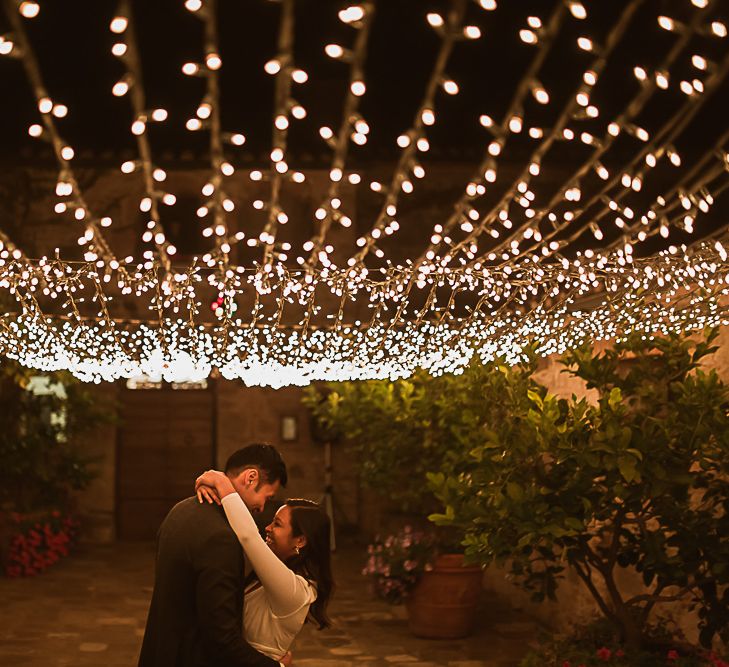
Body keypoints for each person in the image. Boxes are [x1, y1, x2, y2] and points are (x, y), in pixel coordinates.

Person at [138, 443, 289, 667]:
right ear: (251, 478)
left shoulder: (181, 510)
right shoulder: (221, 537)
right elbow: (221, 638)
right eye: (268, 497)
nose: (262, 507)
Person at [195, 469, 334, 662]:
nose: (267, 528)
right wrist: (210, 491)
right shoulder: (272, 571)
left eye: (277, 524)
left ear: (300, 540)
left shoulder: (298, 591)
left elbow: (248, 536)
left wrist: (220, 481)